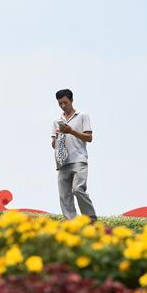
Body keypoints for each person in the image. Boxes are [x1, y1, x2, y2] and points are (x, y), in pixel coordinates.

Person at [52, 88, 97, 221]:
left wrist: (71, 131)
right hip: (63, 161)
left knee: (78, 189)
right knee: (64, 195)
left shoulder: (82, 116)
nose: (63, 106)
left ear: (71, 100)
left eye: (65, 102)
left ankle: (91, 220)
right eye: (60, 103)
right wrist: (57, 138)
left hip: (79, 159)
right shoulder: (57, 121)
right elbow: (53, 144)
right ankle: (72, 223)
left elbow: (89, 138)